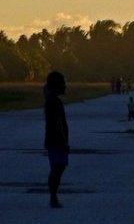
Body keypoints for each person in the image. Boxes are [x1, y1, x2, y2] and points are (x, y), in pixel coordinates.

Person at [44, 71, 69, 208]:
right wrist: (63, 141)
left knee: (58, 166)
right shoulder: (54, 101)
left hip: (53, 139)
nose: (65, 86)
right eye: (63, 83)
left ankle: (53, 196)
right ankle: (53, 196)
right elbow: (57, 123)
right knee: (57, 167)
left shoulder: (51, 100)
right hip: (56, 140)